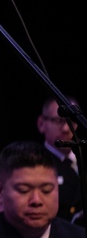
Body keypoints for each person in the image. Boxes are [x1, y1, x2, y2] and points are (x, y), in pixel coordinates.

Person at [36, 95, 83, 223]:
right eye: (59, 121)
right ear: (41, 123)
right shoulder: (34, 162)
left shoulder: (81, 158)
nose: (66, 129)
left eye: (71, 122)